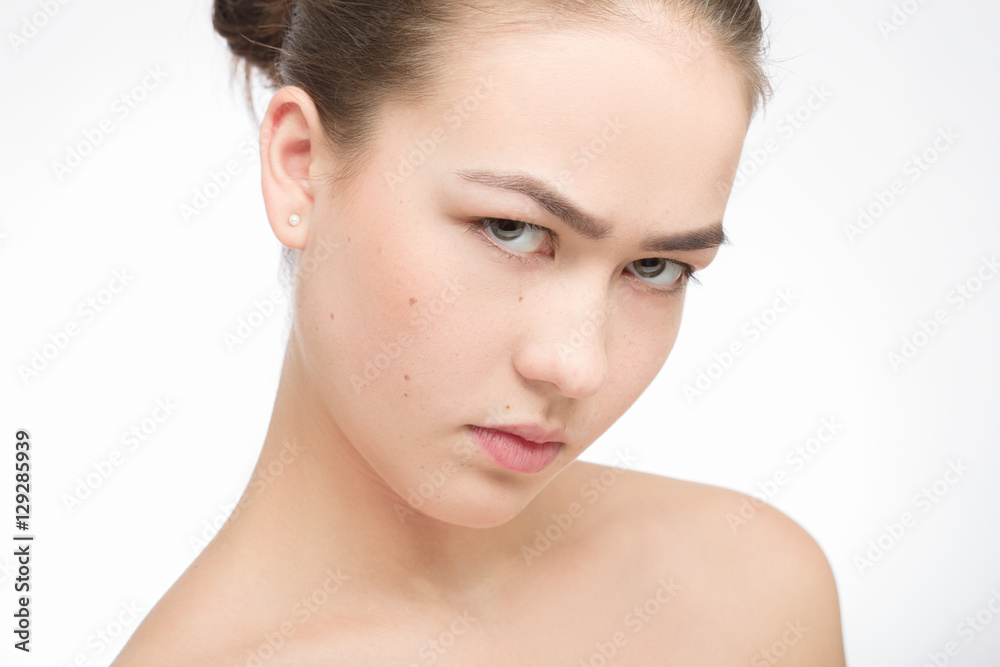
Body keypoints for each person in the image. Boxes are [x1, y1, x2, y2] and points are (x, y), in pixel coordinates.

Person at [112, 0, 847, 664]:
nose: (576, 365)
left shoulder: (756, 591)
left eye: (656, 268)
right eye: (513, 229)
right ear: (301, 166)